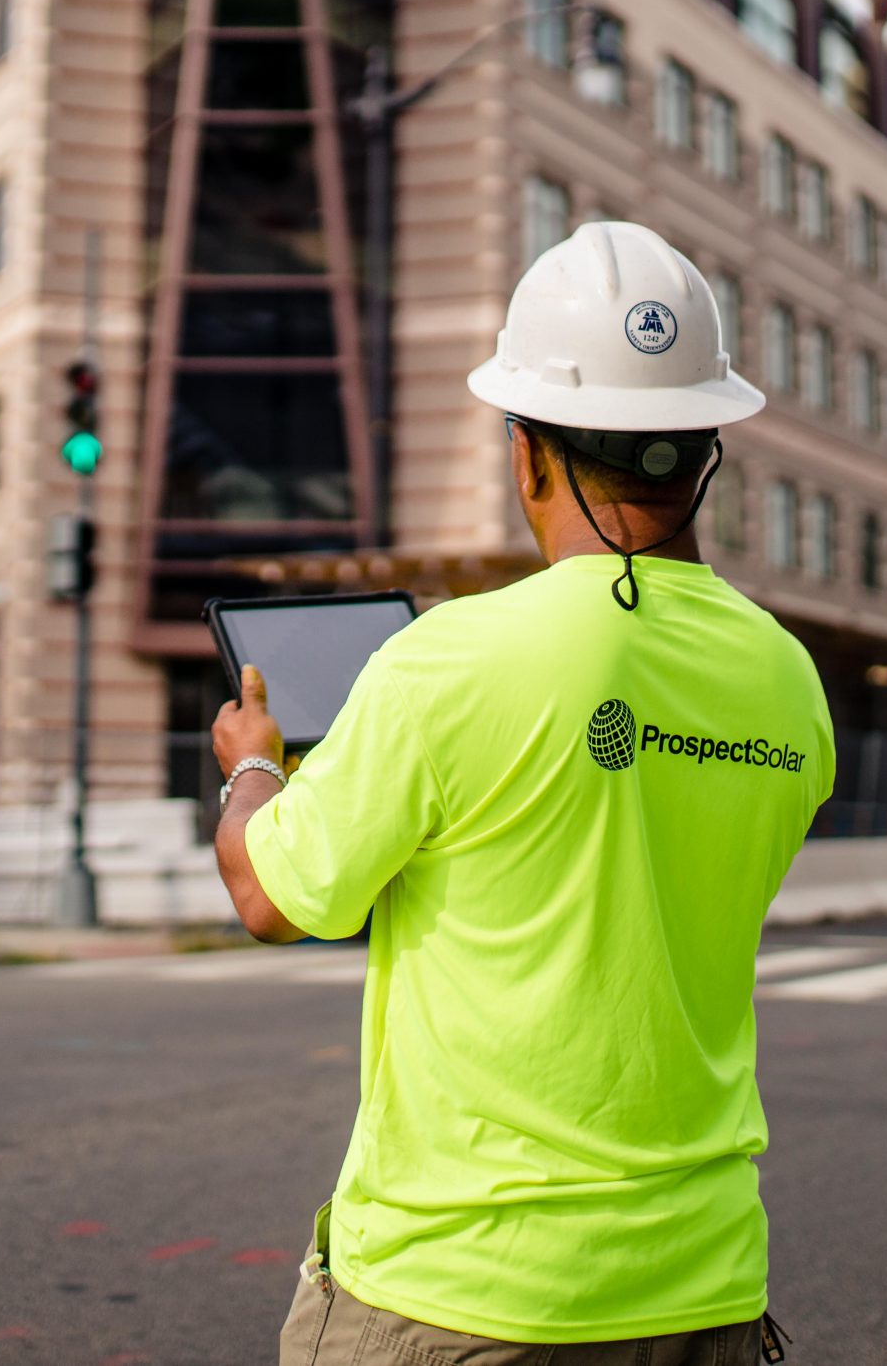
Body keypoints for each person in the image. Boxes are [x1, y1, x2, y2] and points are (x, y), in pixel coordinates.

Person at [212, 220, 834, 1364]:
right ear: (704, 448)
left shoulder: (450, 660)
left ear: (525, 452)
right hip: (702, 1293)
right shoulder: (787, 681)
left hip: (462, 1297)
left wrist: (255, 766)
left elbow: (273, 897)